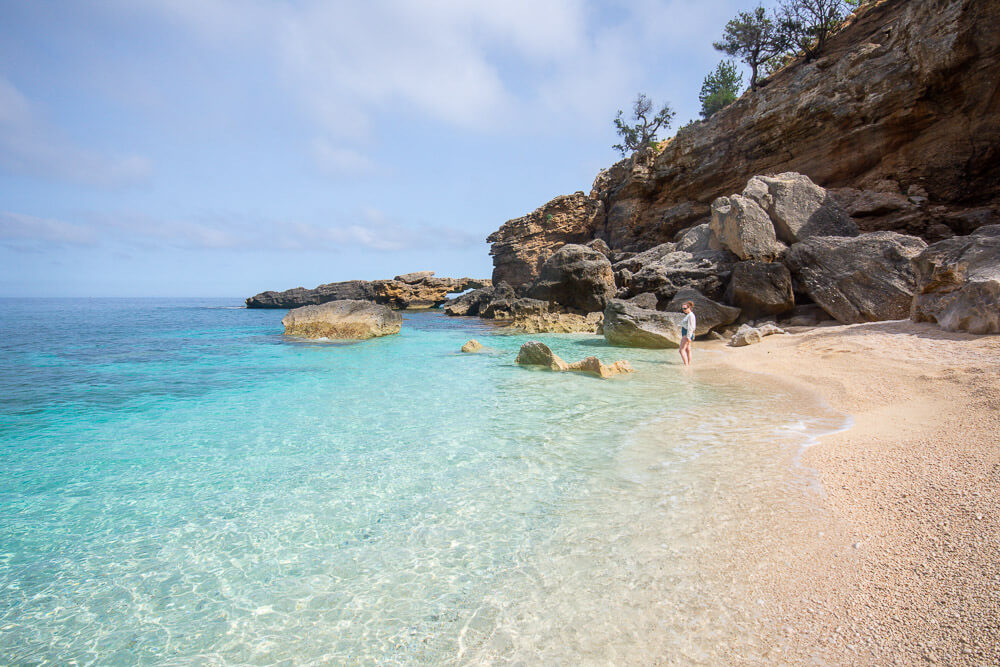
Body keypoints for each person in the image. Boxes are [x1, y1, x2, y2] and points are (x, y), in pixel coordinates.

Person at [679, 301, 696, 366]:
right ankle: (688, 364)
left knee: (681, 350)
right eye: (683, 309)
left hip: (687, 334)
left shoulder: (691, 316)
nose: (684, 310)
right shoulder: (689, 315)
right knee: (688, 349)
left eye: (685, 308)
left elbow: (691, 327)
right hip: (686, 333)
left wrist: (688, 337)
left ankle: (686, 365)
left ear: (689, 308)